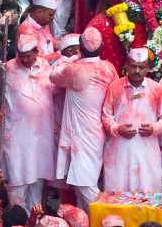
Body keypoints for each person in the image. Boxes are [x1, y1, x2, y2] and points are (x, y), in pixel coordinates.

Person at [50, 26, 118, 207]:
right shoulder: (109, 68)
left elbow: (53, 75)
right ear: (102, 45)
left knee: (84, 182)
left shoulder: (75, 69)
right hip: (101, 129)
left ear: (80, 46)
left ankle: (106, 219)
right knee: (84, 183)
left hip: (82, 133)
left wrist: (73, 57)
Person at [0, 33, 58, 210]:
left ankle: (34, 223)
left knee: (37, 181)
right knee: (17, 180)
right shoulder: (7, 68)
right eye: (21, 55)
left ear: (36, 51)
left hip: (41, 136)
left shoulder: (45, 65)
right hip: (17, 135)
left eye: (28, 55)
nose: (24, 59)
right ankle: (18, 222)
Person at [101, 47, 162, 192]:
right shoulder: (115, 87)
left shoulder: (156, 89)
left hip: (146, 151)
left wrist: (154, 128)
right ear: (127, 65)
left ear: (148, 68)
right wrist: (117, 129)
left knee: (147, 194)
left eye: (142, 67)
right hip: (119, 151)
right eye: (133, 66)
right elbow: (106, 115)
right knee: (117, 194)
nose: (137, 71)